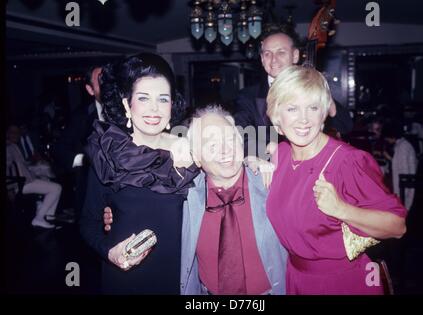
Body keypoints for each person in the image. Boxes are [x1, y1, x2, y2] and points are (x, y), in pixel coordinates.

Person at [104, 105, 287, 295]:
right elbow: (142, 209)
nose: (225, 150)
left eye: (230, 139)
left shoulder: (270, 183)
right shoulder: (184, 196)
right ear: (197, 158)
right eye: (212, 145)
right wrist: (113, 216)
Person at [265, 65, 407, 295]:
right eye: (292, 108)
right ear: (276, 115)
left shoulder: (347, 161)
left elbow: (397, 226)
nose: (303, 119)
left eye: (313, 108)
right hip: (295, 278)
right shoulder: (279, 155)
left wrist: (342, 209)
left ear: (323, 113)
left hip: (342, 282)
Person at [80, 54, 199, 294]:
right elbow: (87, 223)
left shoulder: (193, 148)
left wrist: (258, 160)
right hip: (126, 279)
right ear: (127, 104)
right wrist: (109, 252)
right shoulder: (109, 154)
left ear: (171, 105)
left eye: (162, 99)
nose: (154, 108)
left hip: (182, 278)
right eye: (143, 98)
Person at [233, 23, 352, 158]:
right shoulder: (247, 96)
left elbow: (346, 127)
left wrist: (326, 99)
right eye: (267, 54)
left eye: (281, 52)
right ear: (262, 59)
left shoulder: (310, 89)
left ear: (295, 56)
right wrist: (273, 150)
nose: (273, 59)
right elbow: (241, 135)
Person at [52, 65, 104, 221]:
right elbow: (60, 148)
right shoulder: (81, 116)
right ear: (90, 89)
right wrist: (84, 161)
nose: (107, 86)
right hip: (92, 193)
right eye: (101, 81)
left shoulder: (128, 111)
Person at [6, 125, 62, 229]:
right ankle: (39, 217)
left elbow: (21, 166)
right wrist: (9, 189)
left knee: (46, 176)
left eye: (17, 133)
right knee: (57, 188)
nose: (15, 135)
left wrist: (35, 170)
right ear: (7, 134)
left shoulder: (13, 146)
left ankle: (47, 216)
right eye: (12, 132)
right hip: (20, 183)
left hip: (25, 180)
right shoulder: (8, 147)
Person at [383, 124, 417, 211]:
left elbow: (403, 168)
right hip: (406, 178)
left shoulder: (402, 147)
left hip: (405, 180)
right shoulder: (402, 144)